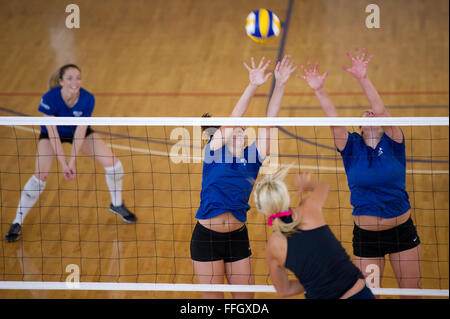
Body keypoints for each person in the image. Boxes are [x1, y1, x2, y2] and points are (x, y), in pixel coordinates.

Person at [297, 47, 422, 294]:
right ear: (361, 126)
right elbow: (334, 120)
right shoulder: (351, 147)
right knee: (367, 295)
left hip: (402, 232)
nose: (371, 112)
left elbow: (382, 109)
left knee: (412, 291)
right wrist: (319, 89)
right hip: (366, 238)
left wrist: (363, 78)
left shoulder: (394, 141)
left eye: (374, 112)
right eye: (366, 113)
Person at [190, 55, 297, 299]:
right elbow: (233, 119)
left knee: (246, 302)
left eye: (242, 130)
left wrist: (279, 84)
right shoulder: (214, 152)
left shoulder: (253, 158)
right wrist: (253, 85)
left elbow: (270, 122)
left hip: (238, 236)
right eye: (234, 129)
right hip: (207, 239)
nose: (239, 130)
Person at [5, 64, 136, 242]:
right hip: (52, 135)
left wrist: (72, 162)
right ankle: (17, 222)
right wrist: (63, 164)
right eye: (70, 78)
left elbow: (81, 132)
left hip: (77, 132)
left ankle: (117, 204)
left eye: (78, 77)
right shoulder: (50, 98)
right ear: (61, 81)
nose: (75, 82)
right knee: (40, 176)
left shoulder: (87, 99)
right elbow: (52, 134)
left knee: (114, 165)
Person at [254, 168, 374, 299]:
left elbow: (284, 291)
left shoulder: (273, 246)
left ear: (263, 209)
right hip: (358, 293)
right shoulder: (309, 207)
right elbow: (324, 186)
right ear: (285, 196)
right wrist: (307, 185)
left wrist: (315, 281)